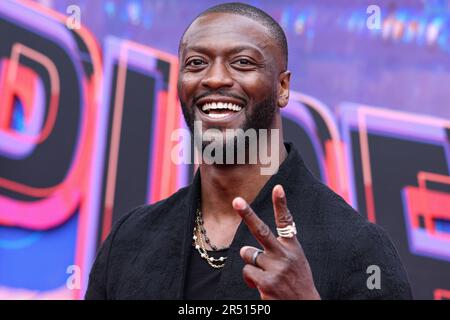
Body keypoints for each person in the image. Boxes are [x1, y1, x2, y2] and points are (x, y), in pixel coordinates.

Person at [85, 2, 412, 300]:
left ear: (282, 88)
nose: (214, 78)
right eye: (197, 63)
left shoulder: (358, 249)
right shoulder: (130, 241)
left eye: (242, 62)